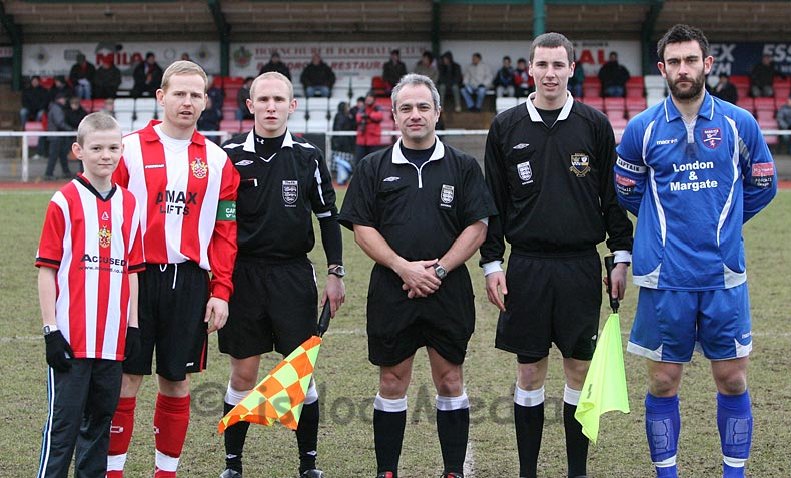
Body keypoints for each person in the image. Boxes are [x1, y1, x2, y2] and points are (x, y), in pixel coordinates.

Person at [615, 24, 777, 478]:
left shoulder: (738, 123)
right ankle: (667, 473)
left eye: (692, 60)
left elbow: (763, 183)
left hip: (724, 276)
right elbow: (627, 192)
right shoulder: (642, 129)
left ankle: (734, 473)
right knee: (664, 382)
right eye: (675, 62)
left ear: (707, 65)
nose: (683, 70)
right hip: (665, 279)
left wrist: (721, 225)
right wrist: (663, 234)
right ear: (662, 68)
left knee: (733, 379)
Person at [480, 32, 633, 478]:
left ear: (571, 69)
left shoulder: (595, 125)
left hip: (580, 266)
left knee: (579, 372)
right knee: (529, 374)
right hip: (525, 266)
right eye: (542, 65)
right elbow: (494, 204)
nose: (550, 73)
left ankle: (576, 471)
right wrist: (493, 263)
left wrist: (620, 254)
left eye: (558, 65)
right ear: (530, 69)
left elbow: (612, 198)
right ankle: (528, 470)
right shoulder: (505, 127)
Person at [338, 73, 497, 478]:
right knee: (392, 380)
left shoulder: (462, 166)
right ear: (393, 115)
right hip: (394, 289)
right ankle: (387, 471)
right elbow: (362, 228)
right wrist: (402, 267)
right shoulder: (373, 166)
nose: (415, 115)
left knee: (449, 379)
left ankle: (452, 471)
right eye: (406, 108)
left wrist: (440, 268)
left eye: (423, 106)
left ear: (438, 112)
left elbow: (477, 226)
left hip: (449, 287)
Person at [106, 60, 239, 478]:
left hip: (190, 282)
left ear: (205, 101)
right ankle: (112, 471)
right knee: (127, 379)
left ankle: (166, 472)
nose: (187, 101)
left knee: (176, 380)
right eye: (178, 93)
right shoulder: (126, 149)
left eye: (195, 94)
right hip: (134, 280)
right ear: (161, 97)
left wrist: (221, 291)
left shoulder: (218, 162)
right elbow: (100, 216)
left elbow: (225, 231)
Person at [218, 71, 345, 478]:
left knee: (300, 376)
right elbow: (218, 221)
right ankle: (232, 464)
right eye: (263, 99)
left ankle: (308, 464)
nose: (271, 106)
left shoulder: (307, 156)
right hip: (244, 275)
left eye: (279, 100)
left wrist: (335, 273)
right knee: (244, 372)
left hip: (293, 275)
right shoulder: (230, 154)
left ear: (292, 106)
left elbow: (328, 218)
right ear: (250, 105)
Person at [35, 112, 145, 477]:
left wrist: (132, 327)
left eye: (113, 148)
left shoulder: (129, 204)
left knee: (99, 428)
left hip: (111, 342)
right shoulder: (63, 201)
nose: (105, 155)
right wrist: (51, 330)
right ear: (78, 150)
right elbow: (47, 270)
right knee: (63, 429)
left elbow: (131, 271)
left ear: (122, 150)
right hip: (71, 339)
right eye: (96, 148)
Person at [44, 93, 72, 180]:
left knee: (62, 155)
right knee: (54, 155)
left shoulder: (56, 108)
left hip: (58, 136)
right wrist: (70, 129)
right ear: (59, 99)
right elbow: (59, 123)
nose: (64, 101)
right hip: (56, 136)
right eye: (63, 99)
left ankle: (66, 172)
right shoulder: (56, 108)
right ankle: (48, 174)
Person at [20, 75, 49, 158]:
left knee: (41, 113)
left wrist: (38, 108)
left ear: (38, 81)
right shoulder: (26, 90)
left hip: (39, 110)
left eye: (36, 81)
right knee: (23, 112)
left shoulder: (44, 91)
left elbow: (45, 103)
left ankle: (38, 125)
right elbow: (24, 102)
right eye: (33, 81)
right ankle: (23, 127)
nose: (34, 82)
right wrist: (30, 109)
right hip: (29, 110)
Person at [355, 92, 385, 164]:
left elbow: (379, 117)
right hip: (362, 139)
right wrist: (369, 117)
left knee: (373, 161)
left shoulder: (377, 107)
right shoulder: (362, 108)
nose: (368, 100)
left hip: (373, 140)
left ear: (374, 99)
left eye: (370, 98)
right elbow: (358, 118)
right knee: (359, 161)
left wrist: (368, 116)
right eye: (367, 98)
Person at [332, 100, 356, 185]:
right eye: (346, 107)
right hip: (341, 145)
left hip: (347, 144)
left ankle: (344, 178)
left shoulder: (348, 116)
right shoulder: (340, 116)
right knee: (340, 163)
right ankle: (340, 179)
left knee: (347, 161)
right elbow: (339, 128)